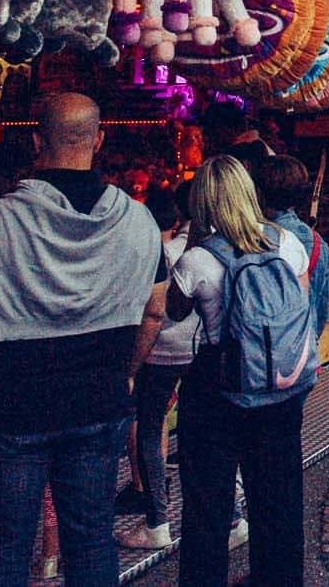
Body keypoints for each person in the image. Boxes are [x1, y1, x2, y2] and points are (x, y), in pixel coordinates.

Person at [0, 93, 168, 587]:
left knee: (3, 552)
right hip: (98, 403)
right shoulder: (137, 219)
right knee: (91, 543)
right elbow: (154, 311)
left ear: (37, 140)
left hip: (11, 407)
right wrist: (125, 373)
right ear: (99, 140)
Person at [169, 155, 314, 586]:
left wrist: (197, 236)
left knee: (207, 506)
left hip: (218, 388)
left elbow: (175, 313)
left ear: (204, 204)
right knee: (279, 499)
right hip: (280, 386)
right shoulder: (288, 244)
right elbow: (299, 312)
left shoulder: (197, 260)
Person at [117, 188, 195, 551]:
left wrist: (131, 362)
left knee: (150, 430)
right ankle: (230, 515)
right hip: (198, 351)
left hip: (158, 353)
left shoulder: (159, 253)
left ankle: (157, 521)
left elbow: (146, 309)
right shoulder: (214, 247)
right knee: (203, 432)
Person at [257, 156, 329, 339]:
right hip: (303, 351)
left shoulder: (253, 239)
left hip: (261, 353)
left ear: (259, 192)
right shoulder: (317, 243)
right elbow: (321, 310)